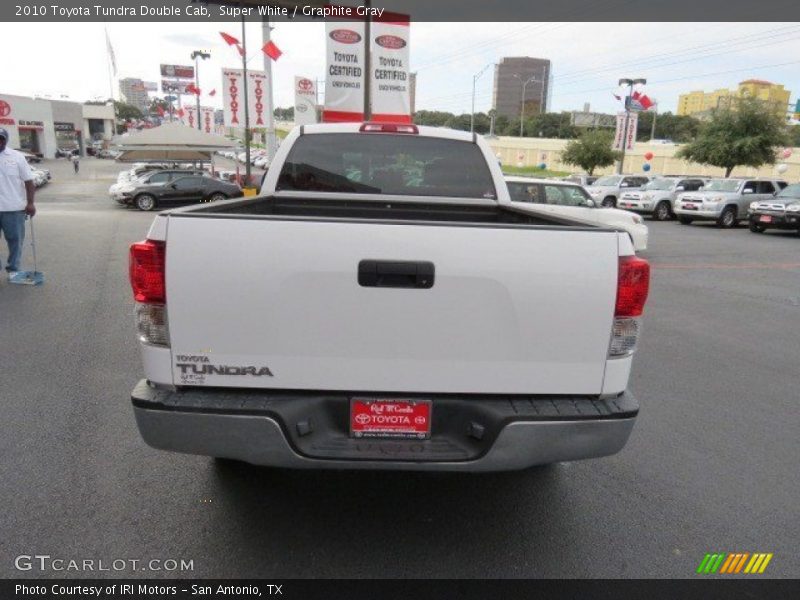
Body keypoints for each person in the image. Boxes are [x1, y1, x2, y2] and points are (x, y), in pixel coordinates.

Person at [0, 127, 36, 279]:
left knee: (15, 241)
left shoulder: (17, 157)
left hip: (14, 208)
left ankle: (13, 269)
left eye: (1, 138)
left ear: (6, 139)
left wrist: (31, 203)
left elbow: (29, 182)